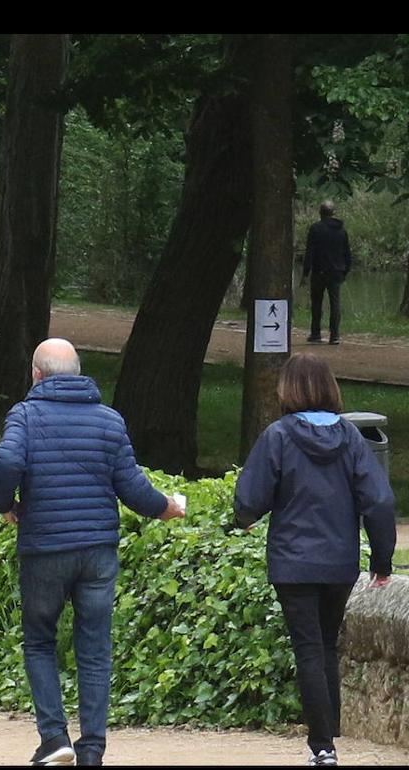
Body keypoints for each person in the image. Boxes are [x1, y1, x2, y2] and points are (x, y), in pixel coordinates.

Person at [0, 339, 185, 767]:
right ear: (78, 373)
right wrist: (165, 507)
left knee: (40, 641)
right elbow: (132, 487)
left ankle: (55, 737)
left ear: (36, 375)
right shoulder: (109, 421)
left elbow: (5, 461)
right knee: (94, 649)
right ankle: (92, 750)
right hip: (98, 552)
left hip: (45, 550)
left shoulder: (25, 415)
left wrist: (6, 505)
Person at [234, 353, 396, 767]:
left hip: (293, 562)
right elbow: (377, 501)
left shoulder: (278, 436)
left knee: (308, 647)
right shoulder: (351, 438)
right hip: (339, 562)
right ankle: (331, 728)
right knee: (326, 644)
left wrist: (245, 519)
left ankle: (322, 745)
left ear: (288, 388)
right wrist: (382, 560)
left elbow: (250, 498)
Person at [303, 200, 352, 345]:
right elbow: (347, 253)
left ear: (320, 213)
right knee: (335, 303)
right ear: (334, 213)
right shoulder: (342, 231)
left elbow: (309, 252)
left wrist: (306, 272)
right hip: (337, 271)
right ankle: (335, 335)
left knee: (317, 302)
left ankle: (316, 333)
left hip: (319, 271)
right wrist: (346, 270)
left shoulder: (315, 229)